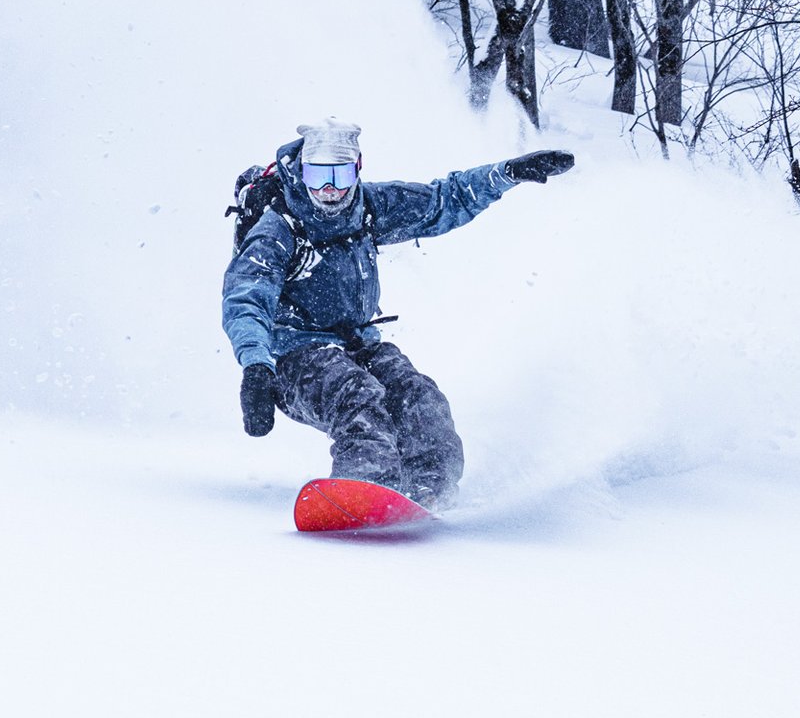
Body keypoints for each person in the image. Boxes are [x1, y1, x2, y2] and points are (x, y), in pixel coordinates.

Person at [222, 119, 574, 508]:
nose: (329, 189)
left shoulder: (368, 207)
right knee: (357, 395)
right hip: (291, 358)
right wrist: (256, 367)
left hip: (355, 343)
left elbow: (444, 200)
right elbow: (246, 297)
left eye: (340, 175)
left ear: (357, 169)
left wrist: (508, 173)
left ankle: (429, 490)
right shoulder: (280, 228)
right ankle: (364, 491)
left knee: (418, 396)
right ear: (301, 171)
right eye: (318, 175)